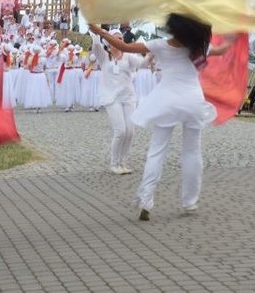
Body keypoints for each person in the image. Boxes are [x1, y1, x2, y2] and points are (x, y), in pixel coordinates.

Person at [89, 14, 231, 221]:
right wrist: (234, 39)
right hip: (193, 101)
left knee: (156, 151)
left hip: (168, 100)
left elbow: (125, 47)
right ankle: (189, 201)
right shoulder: (199, 46)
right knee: (192, 152)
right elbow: (221, 50)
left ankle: (146, 199)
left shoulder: (161, 45)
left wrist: (100, 32)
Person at [88, 29, 144, 174]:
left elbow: (142, 63)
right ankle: (114, 164)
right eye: (115, 38)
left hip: (128, 97)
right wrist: (95, 31)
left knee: (130, 132)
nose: (118, 41)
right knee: (120, 131)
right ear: (109, 41)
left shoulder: (128, 56)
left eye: (120, 38)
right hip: (112, 97)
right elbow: (96, 45)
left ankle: (122, 162)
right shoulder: (103, 56)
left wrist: (151, 54)